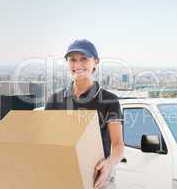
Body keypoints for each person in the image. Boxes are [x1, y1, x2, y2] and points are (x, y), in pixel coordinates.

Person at [45, 39, 124, 189]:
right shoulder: (54, 100)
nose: (77, 65)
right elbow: (48, 142)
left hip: (98, 176)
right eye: (72, 60)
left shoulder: (109, 100)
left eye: (84, 59)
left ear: (95, 62)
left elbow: (118, 145)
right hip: (63, 175)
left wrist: (109, 164)